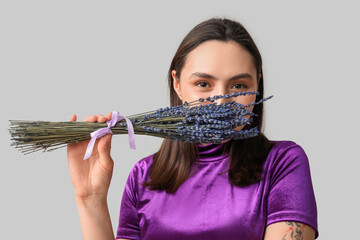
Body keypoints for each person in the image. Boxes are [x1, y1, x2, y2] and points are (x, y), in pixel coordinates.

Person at [67, 18, 319, 240]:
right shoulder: (145, 176)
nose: (221, 101)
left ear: (258, 84)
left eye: (239, 85)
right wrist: (90, 199)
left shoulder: (283, 163)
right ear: (177, 83)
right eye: (203, 84)